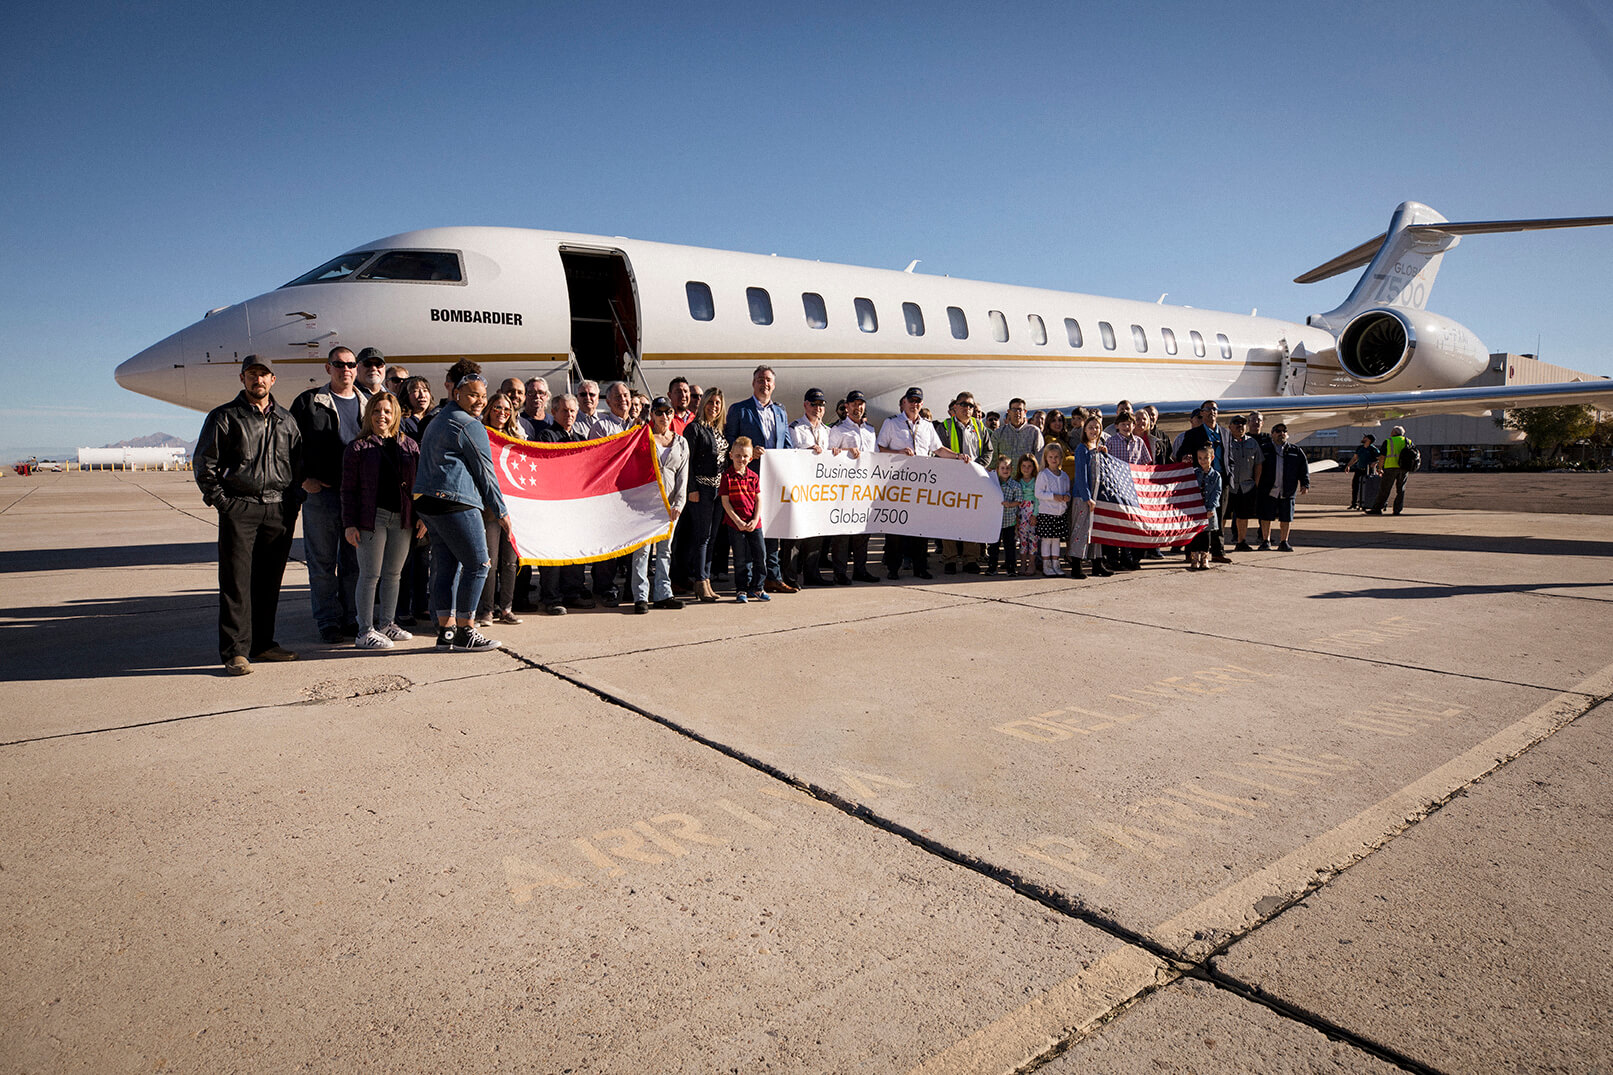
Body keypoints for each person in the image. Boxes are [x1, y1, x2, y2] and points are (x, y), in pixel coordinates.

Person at [195, 355, 304, 675]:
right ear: (242, 379)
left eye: (264, 375)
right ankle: (235, 652)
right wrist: (224, 502)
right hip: (240, 508)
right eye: (252, 375)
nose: (259, 380)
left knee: (269, 581)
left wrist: (293, 501)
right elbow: (205, 463)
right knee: (236, 582)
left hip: (278, 509)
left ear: (273, 380)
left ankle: (263, 644)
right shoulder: (224, 417)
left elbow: (299, 465)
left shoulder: (286, 420)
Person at [413, 373, 508, 651]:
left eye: (481, 395)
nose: (478, 401)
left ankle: (447, 632)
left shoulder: (438, 419)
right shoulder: (468, 425)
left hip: (429, 502)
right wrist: (501, 512)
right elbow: (485, 471)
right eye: (472, 395)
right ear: (457, 394)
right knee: (478, 564)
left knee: (447, 565)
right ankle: (467, 630)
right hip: (455, 500)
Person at [291, 345, 372, 642]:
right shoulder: (310, 402)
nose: (346, 369)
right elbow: (288, 447)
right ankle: (328, 621)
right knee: (323, 563)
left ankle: (351, 617)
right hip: (322, 496)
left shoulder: (368, 403)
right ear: (328, 368)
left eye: (351, 364)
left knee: (354, 563)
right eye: (339, 364)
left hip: (356, 499)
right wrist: (302, 479)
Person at [341, 391, 423, 649]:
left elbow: (419, 485)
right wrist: (349, 523)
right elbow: (348, 490)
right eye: (377, 411)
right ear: (369, 415)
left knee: (393, 574)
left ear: (396, 414)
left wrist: (422, 518)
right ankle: (365, 630)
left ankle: (387, 623)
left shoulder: (409, 445)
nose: (382, 416)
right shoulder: (358, 447)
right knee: (369, 575)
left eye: (387, 411)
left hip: (403, 519)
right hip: (371, 518)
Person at [876, 386, 962, 580]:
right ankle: (893, 567)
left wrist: (957, 456)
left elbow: (938, 449)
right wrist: (899, 453)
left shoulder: (927, 425)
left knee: (921, 528)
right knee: (895, 527)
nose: (914, 404)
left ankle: (920, 567)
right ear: (904, 402)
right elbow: (880, 448)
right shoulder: (891, 423)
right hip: (896, 482)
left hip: (921, 484)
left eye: (918, 401)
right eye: (911, 400)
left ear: (921, 404)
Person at [724, 365, 795, 592]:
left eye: (768, 380)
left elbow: (786, 444)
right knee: (748, 530)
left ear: (774, 385)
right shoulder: (739, 410)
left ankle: (772, 576)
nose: (764, 384)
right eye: (760, 380)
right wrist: (747, 451)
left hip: (773, 479)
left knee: (771, 527)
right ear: (753, 383)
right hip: (746, 479)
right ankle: (747, 582)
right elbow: (729, 441)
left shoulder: (781, 412)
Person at [534, 394, 594, 615]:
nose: (569, 415)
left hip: (575, 506)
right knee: (553, 553)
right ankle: (551, 596)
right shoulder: (546, 436)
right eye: (564, 411)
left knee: (574, 551)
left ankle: (573, 591)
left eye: (572, 411)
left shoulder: (580, 438)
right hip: (553, 504)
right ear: (554, 412)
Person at [629, 397, 689, 612]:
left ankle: (663, 593)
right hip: (645, 505)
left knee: (665, 551)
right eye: (659, 412)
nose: (664, 416)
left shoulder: (681, 442)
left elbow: (683, 476)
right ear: (652, 414)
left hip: (670, 506)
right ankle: (640, 596)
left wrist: (679, 504)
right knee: (642, 551)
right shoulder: (642, 438)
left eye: (668, 412)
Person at [476, 392, 524, 626]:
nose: (502, 413)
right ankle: (486, 610)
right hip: (487, 510)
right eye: (497, 408)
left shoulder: (518, 437)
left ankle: (506, 608)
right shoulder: (480, 433)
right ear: (488, 409)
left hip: (513, 509)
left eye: (506, 409)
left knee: (510, 562)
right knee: (490, 561)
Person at [826, 389, 880, 584]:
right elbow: (829, 455)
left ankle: (860, 569)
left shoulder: (870, 430)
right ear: (846, 407)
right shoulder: (838, 430)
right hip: (843, 489)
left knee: (862, 533)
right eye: (854, 404)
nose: (858, 407)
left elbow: (874, 457)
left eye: (861, 404)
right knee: (842, 533)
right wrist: (846, 452)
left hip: (864, 488)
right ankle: (839, 572)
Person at [681, 387, 728, 602]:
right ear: (703, 404)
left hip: (718, 491)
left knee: (712, 538)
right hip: (701, 489)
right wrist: (691, 489)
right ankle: (699, 580)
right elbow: (686, 462)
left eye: (718, 403)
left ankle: (706, 579)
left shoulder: (717, 431)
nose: (714, 407)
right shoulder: (694, 429)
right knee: (702, 537)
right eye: (710, 402)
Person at [395, 376, 435, 625]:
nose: (420, 394)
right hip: (405, 496)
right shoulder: (401, 424)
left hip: (428, 496)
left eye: (424, 390)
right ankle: (402, 608)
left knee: (422, 558)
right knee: (403, 559)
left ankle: (421, 605)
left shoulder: (435, 421)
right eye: (414, 391)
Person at [938, 393, 992, 574]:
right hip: (951, 480)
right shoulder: (945, 426)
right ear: (955, 407)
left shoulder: (979, 426)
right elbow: (938, 451)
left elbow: (988, 451)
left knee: (971, 520)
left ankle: (970, 559)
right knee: (949, 521)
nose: (967, 408)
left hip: (973, 480)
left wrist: (978, 467)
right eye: (963, 404)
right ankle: (950, 559)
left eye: (970, 405)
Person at [786, 387, 833, 586]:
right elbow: (789, 453)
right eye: (813, 404)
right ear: (805, 405)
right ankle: (789, 577)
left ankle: (813, 574)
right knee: (794, 536)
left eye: (821, 404)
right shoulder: (795, 428)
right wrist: (807, 450)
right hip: (800, 489)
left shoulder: (828, 431)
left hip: (819, 490)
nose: (818, 408)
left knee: (816, 534)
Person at [1175, 401, 1232, 564]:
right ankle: (1191, 552)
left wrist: (1230, 473)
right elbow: (1181, 454)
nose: (1212, 412)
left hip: (1220, 480)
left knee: (1218, 517)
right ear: (1202, 413)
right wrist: (1186, 458)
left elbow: (1230, 456)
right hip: (1200, 481)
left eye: (1214, 409)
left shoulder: (1225, 433)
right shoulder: (1193, 434)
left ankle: (1218, 552)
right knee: (1196, 518)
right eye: (1208, 409)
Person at [720, 437, 769, 603]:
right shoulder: (727, 477)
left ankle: (758, 587)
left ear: (750, 458)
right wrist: (738, 521)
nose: (741, 459)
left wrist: (755, 519)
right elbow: (725, 502)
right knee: (740, 559)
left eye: (745, 456)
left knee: (760, 555)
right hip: (735, 524)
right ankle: (741, 588)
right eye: (738, 455)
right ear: (731, 455)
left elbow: (758, 499)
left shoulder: (753, 476)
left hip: (754, 523)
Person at [1103, 412, 1150, 570]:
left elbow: (1145, 464)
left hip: (1134, 489)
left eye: (1129, 424)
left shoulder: (1139, 442)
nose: (1126, 427)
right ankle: (1112, 558)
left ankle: (1129, 557)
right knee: (1116, 524)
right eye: (1122, 424)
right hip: (1116, 489)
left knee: (1132, 524)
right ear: (1117, 426)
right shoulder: (1111, 441)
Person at [1067, 414, 1112, 578]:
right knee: (1081, 530)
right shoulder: (1082, 449)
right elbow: (1081, 476)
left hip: (1097, 496)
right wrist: (1087, 498)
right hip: (1084, 497)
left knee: (1096, 531)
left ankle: (1097, 564)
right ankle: (1076, 565)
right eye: (1091, 427)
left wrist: (1105, 455)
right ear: (1084, 430)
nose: (1094, 430)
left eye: (1097, 427)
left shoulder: (1099, 448)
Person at [1257, 423, 1310, 550]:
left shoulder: (1295, 451)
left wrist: (1305, 483)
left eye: (1284, 431)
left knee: (1286, 517)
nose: (1281, 434)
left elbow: (1304, 468)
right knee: (1266, 517)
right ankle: (1265, 541)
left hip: (1287, 490)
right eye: (1278, 431)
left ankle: (1284, 541)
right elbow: (1257, 467)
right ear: (1272, 434)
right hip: (1268, 490)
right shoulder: (1264, 449)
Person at [1224, 415, 1263, 551]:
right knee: (1223, 515)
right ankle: (1218, 543)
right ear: (1230, 427)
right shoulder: (1225, 442)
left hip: (1246, 487)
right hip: (1229, 486)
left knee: (1243, 516)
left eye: (1242, 423)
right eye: (1236, 423)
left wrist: (1255, 483)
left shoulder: (1252, 443)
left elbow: (1258, 464)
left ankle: (1241, 542)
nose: (1239, 425)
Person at [1034, 442, 1071, 576]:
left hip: (1059, 513)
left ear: (1061, 458)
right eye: (1050, 457)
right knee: (1046, 540)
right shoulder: (1043, 474)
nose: (1054, 459)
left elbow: (1067, 492)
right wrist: (1052, 496)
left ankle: (1056, 564)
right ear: (1046, 458)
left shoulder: (1064, 476)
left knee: (1056, 540)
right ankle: (1046, 565)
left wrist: (1067, 497)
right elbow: (1038, 493)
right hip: (1047, 513)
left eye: (1056, 456)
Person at [1187, 443, 1223, 570]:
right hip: (1196, 510)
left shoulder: (1216, 476)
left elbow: (1216, 493)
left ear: (1212, 458)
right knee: (1195, 535)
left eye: (1206, 458)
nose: (1203, 461)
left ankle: (1204, 557)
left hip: (1208, 510)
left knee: (1206, 535)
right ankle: (1194, 557)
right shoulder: (1194, 473)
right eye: (1200, 458)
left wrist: (1211, 508)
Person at [1365, 426, 1412, 515]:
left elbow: (1382, 457)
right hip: (1404, 468)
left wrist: (1379, 468)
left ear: (1394, 432)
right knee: (1401, 489)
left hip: (1390, 467)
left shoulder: (1389, 441)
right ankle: (1397, 510)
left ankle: (1377, 508)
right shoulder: (1408, 441)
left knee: (1384, 489)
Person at [987, 456, 1019, 575]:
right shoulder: (993, 483)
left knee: (1009, 546)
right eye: (1002, 468)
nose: (1005, 470)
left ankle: (1011, 568)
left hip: (1009, 521)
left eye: (1008, 468)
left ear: (1012, 469)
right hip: (995, 521)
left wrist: (1010, 504)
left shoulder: (1015, 485)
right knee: (993, 545)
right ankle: (992, 567)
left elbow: (1019, 500)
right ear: (997, 469)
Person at [1010, 453, 1039, 575]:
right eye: (1024, 466)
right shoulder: (1017, 482)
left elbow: (1038, 499)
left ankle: (1031, 564)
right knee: (1022, 540)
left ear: (1034, 468)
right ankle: (1022, 563)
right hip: (1021, 513)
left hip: (1032, 512)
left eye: (1029, 466)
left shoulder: (1036, 481)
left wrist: (1035, 515)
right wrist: (1016, 515)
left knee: (1033, 539)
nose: (1026, 469)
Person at [995, 398, 1043, 469]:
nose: (1017, 412)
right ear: (1009, 412)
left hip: (1027, 478)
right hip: (1005, 478)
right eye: (1014, 409)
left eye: (1020, 410)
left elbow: (1040, 457)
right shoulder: (999, 433)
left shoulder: (1034, 432)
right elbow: (993, 458)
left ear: (1025, 412)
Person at [1348, 434, 1380, 511]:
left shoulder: (1373, 449)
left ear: (1369, 440)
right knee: (1355, 486)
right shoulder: (1360, 448)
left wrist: (1375, 463)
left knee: (1367, 487)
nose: (1363, 438)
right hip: (1359, 469)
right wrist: (1348, 466)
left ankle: (1366, 503)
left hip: (1368, 471)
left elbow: (1380, 458)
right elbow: (1355, 458)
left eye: (1365, 437)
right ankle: (1354, 503)